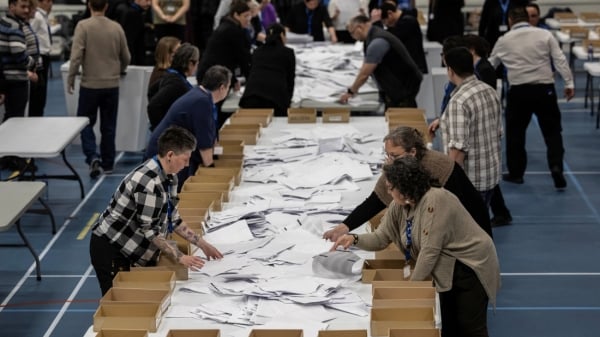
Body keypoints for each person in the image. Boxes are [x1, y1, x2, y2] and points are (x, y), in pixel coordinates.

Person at [330, 156, 500, 337]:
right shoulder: (399, 204)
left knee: (470, 326)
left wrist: (411, 290)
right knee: (449, 324)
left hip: (469, 265)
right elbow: (380, 237)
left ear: (404, 186)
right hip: (446, 266)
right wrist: (354, 239)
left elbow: (429, 252)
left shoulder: (435, 201)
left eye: (390, 187)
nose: (388, 192)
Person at [90, 125, 224, 295]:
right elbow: (150, 231)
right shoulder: (149, 183)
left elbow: (174, 219)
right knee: (118, 297)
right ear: (170, 155)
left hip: (132, 245)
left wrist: (202, 244)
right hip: (112, 248)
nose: (187, 164)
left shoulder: (170, 177)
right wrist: (180, 256)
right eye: (185, 159)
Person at [323, 126, 492, 242]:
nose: (389, 161)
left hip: (468, 226)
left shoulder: (438, 166)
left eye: (394, 155)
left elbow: (462, 209)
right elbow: (376, 200)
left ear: (413, 152)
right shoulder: (397, 167)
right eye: (387, 155)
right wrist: (345, 226)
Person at [489, 7, 574, 190]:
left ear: (510, 20)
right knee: (552, 132)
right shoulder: (544, 35)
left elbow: (490, 65)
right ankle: (556, 167)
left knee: (515, 134)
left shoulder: (504, 40)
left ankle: (516, 173)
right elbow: (560, 59)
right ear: (528, 18)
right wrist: (569, 84)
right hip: (545, 89)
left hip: (519, 91)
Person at [67, 0, 130, 178]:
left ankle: (92, 156)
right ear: (106, 6)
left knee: (85, 123)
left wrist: (71, 77)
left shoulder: (83, 26)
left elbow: (76, 56)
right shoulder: (116, 27)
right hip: (111, 85)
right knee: (108, 126)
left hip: (90, 84)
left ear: (89, 6)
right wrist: (121, 69)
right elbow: (126, 55)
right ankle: (108, 163)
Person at [146, 65, 232, 191]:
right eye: (228, 87)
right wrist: (213, 174)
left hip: (170, 150)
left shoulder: (200, 95)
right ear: (222, 87)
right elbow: (205, 146)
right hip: (164, 155)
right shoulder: (202, 102)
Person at [439, 47, 502, 206]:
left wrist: (447, 186)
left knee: (467, 230)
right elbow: (496, 130)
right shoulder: (489, 90)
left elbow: (458, 152)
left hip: (470, 182)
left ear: (451, 71)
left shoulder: (458, 101)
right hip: (490, 175)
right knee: (481, 225)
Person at [462, 34, 512, 227]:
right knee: (488, 177)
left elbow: (485, 99)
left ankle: (498, 213)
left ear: (472, 50)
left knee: (486, 177)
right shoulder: (481, 67)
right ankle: (501, 212)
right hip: (485, 126)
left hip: (485, 127)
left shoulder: (484, 69)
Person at [339, 15, 422, 109]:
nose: (352, 37)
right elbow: (365, 65)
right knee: (395, 113)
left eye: (352, 33)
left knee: (402, 115)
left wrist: (351, 92)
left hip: (403, 85)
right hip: (398, 84)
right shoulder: (371, 37)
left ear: (360, 28)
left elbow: (364, 74)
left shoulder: (377, 41)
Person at [197, 1, 252, 129]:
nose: (248, 20)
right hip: (211, 73)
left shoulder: (229, 26)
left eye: (250, 16)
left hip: (214, 70)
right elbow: (242, 58)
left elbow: (229, 58)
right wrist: (251, 80)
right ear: (236, 15)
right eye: (245, 16)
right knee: (215, 108)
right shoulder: (232, 30)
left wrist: (233, 79)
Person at [239, 23, 295, 117]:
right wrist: (287, 101)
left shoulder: (257, 52)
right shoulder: (288, 53)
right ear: (282, 35)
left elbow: (251, 73)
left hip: (251, 97)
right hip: (276, 100)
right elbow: (290, 80)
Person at [147, 43, 198, 131]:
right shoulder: (177, 83)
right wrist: (163, 130)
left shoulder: (171, 76)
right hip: (170, 137)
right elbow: (153, 106)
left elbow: (151, 91)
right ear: (190, 63)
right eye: (197, 62)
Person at [2, 0, 35, 122]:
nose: (26, 10)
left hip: (6, 78)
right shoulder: (15, 26)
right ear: (12, 6)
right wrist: (33, 65)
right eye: (22, 7)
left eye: (28, 7)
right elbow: (19, 54)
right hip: (15, 79)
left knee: (10, 117)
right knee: (15, 119)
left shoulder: (4, 22)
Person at [379, 1, 427, 73]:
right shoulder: (404, 21)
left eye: (385, 21)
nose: (386, 25)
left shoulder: (407, 22)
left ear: (390, 13)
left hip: (415, 69)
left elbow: (391, 36)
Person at [28, 0, 52, 117]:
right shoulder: (37, 16)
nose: (50, 4)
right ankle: (35, 117)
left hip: (44, 56)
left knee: (42, 93)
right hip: (39, 56)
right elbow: (28, 34)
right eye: (48, 1)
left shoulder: (42, 16)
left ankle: (38, 115)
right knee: (38, 93)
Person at [113, 0, 152, 66]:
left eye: (151, 1)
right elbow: (130, 41)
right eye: (147, 0)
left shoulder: (124, 7)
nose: (149, 3)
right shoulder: (132, 13)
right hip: (131, 58)